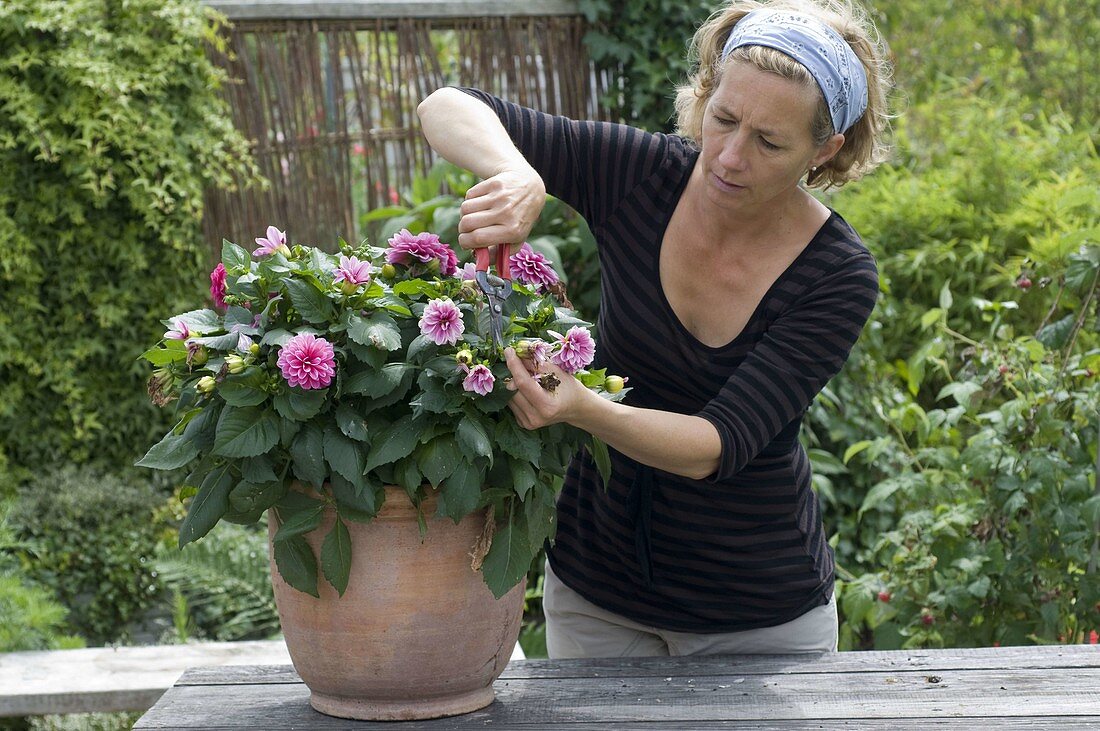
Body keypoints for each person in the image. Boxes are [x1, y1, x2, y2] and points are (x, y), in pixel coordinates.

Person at [416, 0, 891, 658]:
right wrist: (516, 170)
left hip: (757, 623)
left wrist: (583, 408)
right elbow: (446, 104)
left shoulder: (836, 274)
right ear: (707, 96)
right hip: (596, 596)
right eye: (723, 119)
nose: (727, 155)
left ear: (825, 148)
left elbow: (716, 443)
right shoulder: (641, 176)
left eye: (769, 141)